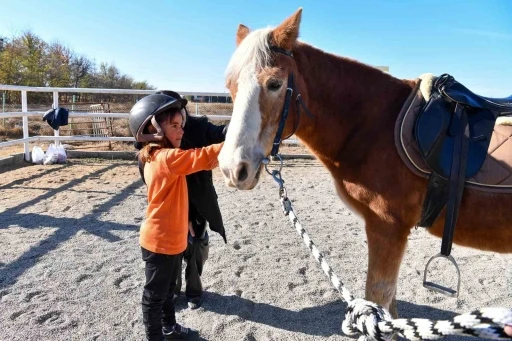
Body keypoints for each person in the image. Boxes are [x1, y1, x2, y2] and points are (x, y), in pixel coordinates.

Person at [129, 93, 223, 341]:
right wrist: (238, 141)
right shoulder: (165, 158)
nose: (181, 131)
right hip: (160, 242)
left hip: (171, 240)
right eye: (174, 126)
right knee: (154, 297)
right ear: (153, 128)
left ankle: (169, 328)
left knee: (168, 291)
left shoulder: (154, 155)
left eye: (181, 125)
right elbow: (203, 157)